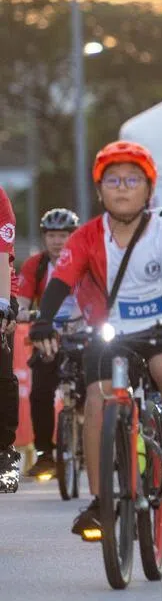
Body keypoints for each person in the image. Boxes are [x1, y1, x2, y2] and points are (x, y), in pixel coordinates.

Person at [28, 141, 162, 533]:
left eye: (132, 180)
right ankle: (99, 501)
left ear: (147, 189)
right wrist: (43, 322)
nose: (122, 188)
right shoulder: (86, 236)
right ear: (99, 190)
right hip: (113, 331)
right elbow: (60, 282)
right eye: (112, 180)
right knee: (97, 398)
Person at [15, 208, 82, 478]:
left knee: (95, 385)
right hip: (48, 334)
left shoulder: (86, 261)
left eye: (64, 235)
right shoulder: (36, 265)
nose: (58, 241)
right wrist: (20, 312)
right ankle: (45, 453)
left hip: (83, 332)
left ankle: (96, 445)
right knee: (40, 391)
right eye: (52, 235)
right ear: (44, 238)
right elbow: (20, 301)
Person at [0, 186, 20, 492]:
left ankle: (4, 453)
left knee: (1, 371)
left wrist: (3, 308)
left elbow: (2, 259)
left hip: (0, 286)